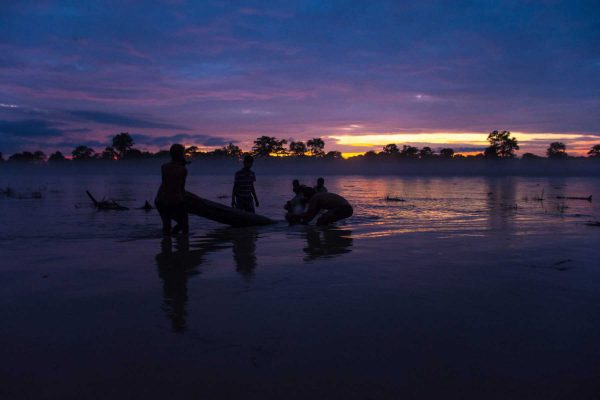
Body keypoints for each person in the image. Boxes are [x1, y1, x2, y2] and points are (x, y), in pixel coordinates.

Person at [155, 144, 189, 235]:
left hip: (160, 200)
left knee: (166, 226)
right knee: (184, 225)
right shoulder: (182, 169)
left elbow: (167, 182)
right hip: (174, 200)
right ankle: (182, 245)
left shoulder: (164, 167)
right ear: (181, 155)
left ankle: (166, 244)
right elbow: (180, 188)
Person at [289, 187, 353, 226]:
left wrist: (294, 216)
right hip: (348, 209)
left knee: (321, 220)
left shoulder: (314, 198)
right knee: (324, 221)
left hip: (343, 208)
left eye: (305, 197)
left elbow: (309, 214)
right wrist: (303, 222)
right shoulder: (318, 197)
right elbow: (310, 217)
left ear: (307, 196)